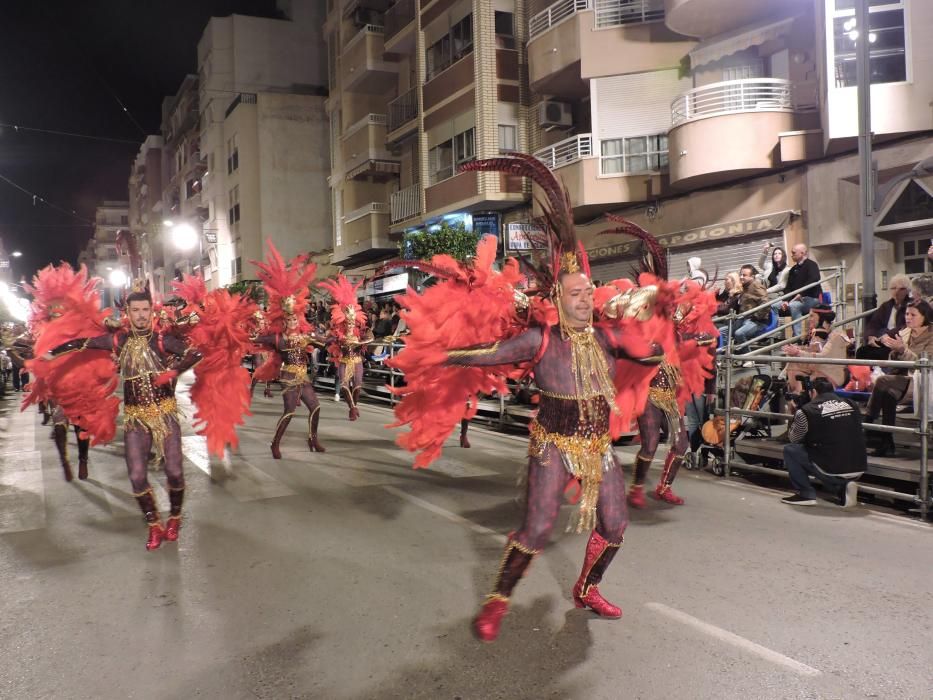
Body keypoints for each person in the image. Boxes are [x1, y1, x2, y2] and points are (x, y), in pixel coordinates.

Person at [46, 288, 203, 550]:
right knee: (137, 475)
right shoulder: (119, 341)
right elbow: (83, 342)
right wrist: (50, 353)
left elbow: (195, 352)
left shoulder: (163, 340)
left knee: (175, 472)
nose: (141, 315)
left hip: (164, 413)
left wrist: (173, 371)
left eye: (145, 310)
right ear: (127, 313)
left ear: (151, 311)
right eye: (136, 310)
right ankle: (153, 524)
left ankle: (174, 518)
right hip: (135, 419)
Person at [251, 244, 326, 458]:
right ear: (283, 320)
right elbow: (254, 338)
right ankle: (275, 443)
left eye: (295, 317)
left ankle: (313, 439)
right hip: (288, 376)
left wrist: (333, 339)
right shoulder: (276, 337)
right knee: (290, 411)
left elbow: (322, 339)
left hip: (303, 376)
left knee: (316, 407)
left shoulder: (304, 334)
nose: (292, 320)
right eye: (289, 318)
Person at [780, 377, 866, 507]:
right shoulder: (851, 403)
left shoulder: (807, 410)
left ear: (813, 392)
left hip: (832, 466)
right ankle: (842, 488)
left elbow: (794, 438)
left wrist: (795, 414)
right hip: (859, 465)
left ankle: (806, 494)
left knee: (791, 450)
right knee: (825, 453)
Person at [864, 300, 933, 456]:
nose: (908, 318)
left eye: (913, 315)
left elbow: (925, 363)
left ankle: (867, 425)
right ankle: (887, 443)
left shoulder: (931, 334)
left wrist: (903, 349)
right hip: (901, 379)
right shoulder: (904, 332)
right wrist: (894, 350)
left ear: (925, 316)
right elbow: (895, 363)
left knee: (882, 382)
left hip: (922, 380)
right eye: (907, 314)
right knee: (888, 394)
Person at [319, 276, 373, 421]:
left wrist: (361, 342)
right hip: (343, 361)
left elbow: (370, 336)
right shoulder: (338, 334)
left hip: (356, 362)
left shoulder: (360, 331)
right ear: (343, 322)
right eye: (348, 323)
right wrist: (313, 337)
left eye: (352, 323)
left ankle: (353, 407)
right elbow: (325, 339)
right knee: (343, 386)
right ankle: (353, 408)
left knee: (357, 387)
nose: (350, 325)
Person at [783, 305, 850, 393]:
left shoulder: (837, 336)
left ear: (822, 318)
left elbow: (823, 356)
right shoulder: (823, 334)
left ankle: (797, 397)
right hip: (817, 372)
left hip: (830, 375)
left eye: (812, 316)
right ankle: (795, 396)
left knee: (795, 366)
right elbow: (812, 350)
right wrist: (796, 349)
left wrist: (798, 352)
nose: (809, 319)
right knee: (794, 364)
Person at [857, 274, 909, 361]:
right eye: (893, 288)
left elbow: (906, 326)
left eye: (901, 289)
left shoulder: (911, 306)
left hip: (899, 341)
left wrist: (888, 335)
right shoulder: (886, 306)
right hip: (881, 340)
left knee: (881, 354)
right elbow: (873, 324)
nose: (897, 291)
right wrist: (871, 336)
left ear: (907, 290)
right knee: (861, 351)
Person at [775, 244, 822, 338]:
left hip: (812, 298)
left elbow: (814, 279)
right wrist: (786, 301)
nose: (791, 255)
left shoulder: (811, 265)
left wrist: (801, 293)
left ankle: (797, 338)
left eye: (794, 253)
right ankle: (775, 335)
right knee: (774, 306)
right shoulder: (793, 270)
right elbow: (788, 288)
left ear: (802, 253)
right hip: (795, 299)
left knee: (794, 306)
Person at [731, 265, 770, 347]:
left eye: (744, 275)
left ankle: (748, 358)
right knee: (727, 331)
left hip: (757, 321)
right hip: (745, 319)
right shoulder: (745, 287)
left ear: (752, 276)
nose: (741, 277)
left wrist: (755, 317)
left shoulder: (756, 286)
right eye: (740, 275)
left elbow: (766, 303)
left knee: (739, 334)